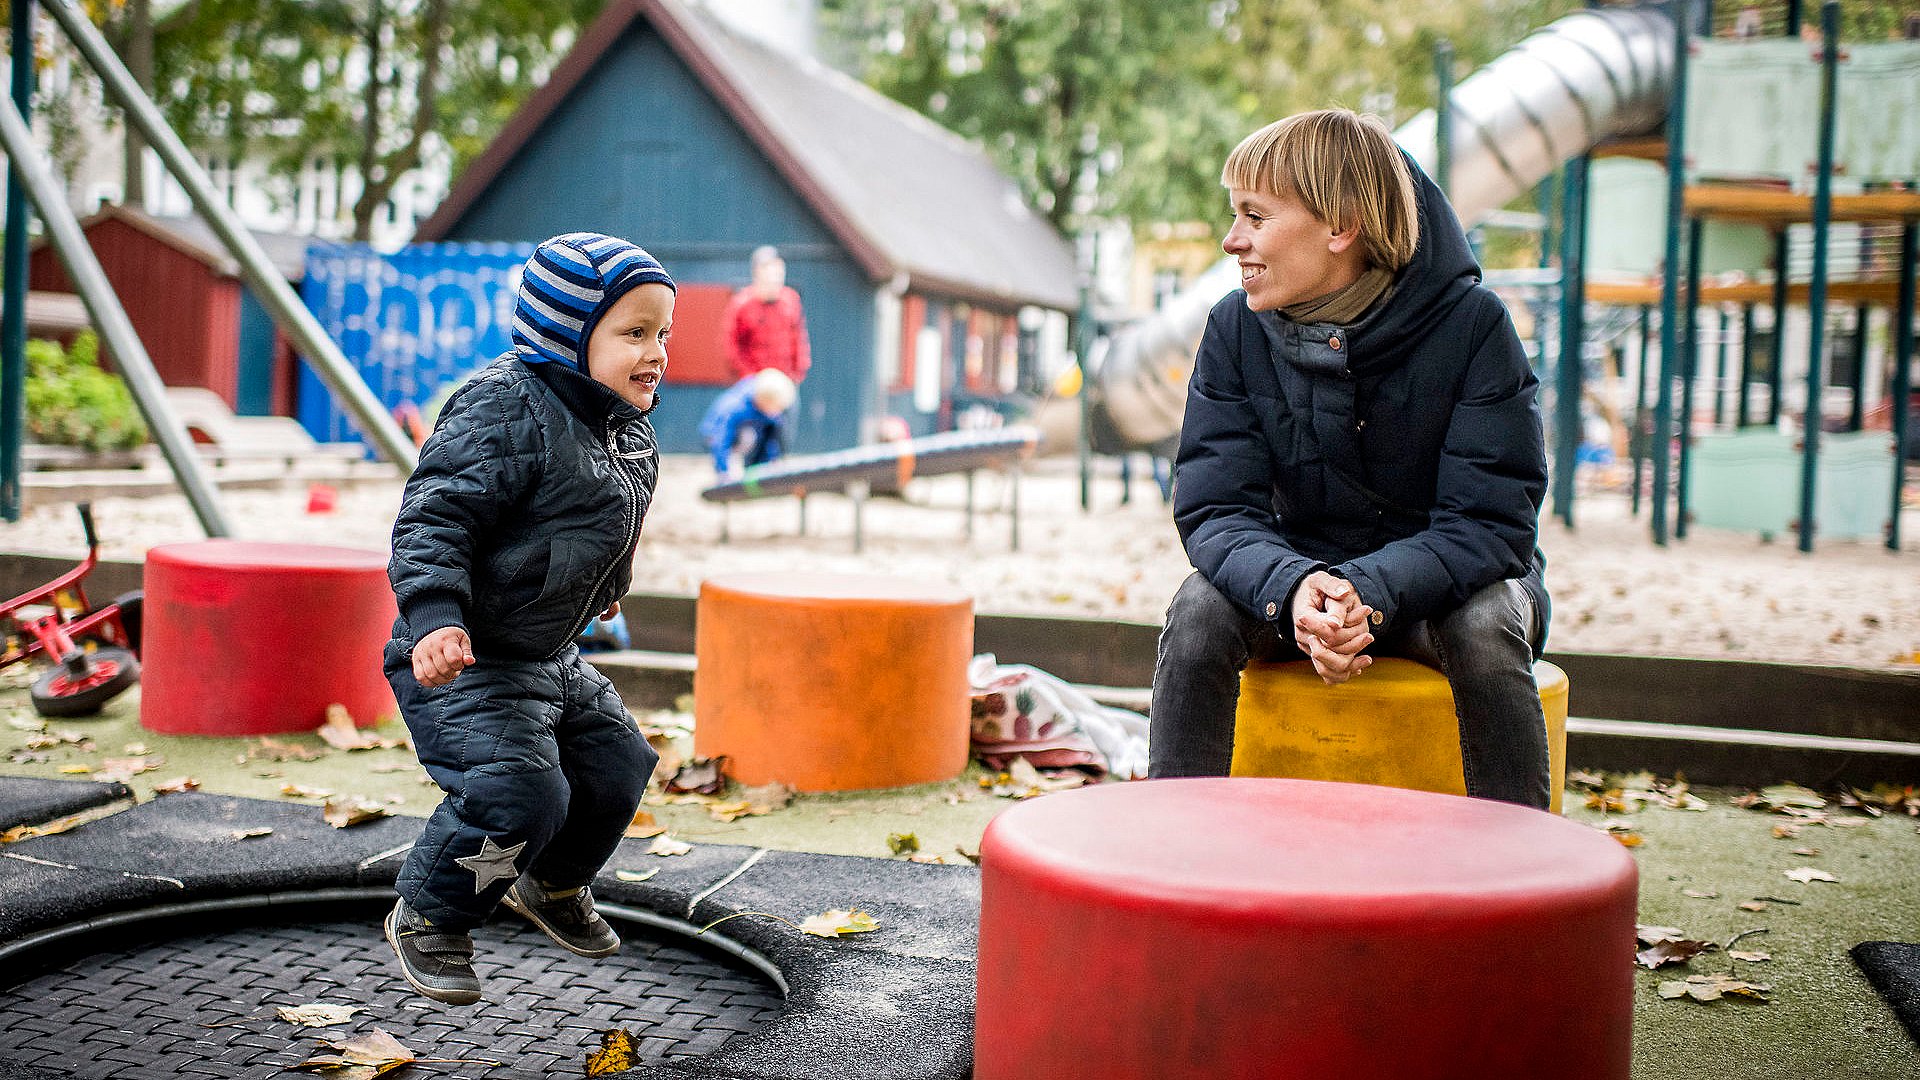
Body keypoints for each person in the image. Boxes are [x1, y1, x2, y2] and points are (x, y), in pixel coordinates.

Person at [1150, 109, 1553, 810]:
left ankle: (1526, 880)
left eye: (1254, 216)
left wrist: (1370, 588)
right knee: (1198, 608)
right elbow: (1216, 510)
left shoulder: (1474, 327)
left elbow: (1491, 526)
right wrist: (1298, 587)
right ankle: (1175, 851)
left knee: (1489, 625)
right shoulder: (1233, 329)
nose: (1231, 239)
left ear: (1339, 228)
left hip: (1448, 593)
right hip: (1297, 589)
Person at [381, 232, 671, 1004]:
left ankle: (551, 883)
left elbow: (609, 513)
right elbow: (434, 521)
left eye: (662, 333)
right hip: (461, 654)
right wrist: (437, 616)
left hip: (547, 651)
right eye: (634, 333)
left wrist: (607, 584)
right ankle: (433, 915)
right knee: (521, 793)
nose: (656, 352)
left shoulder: (625, 421)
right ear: (566, 334)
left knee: (618, 766)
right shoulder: (502, 407)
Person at [724, 245, 811, 384]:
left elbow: (799, 339)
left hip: (785, 383)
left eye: (778, 273)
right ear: (757, 273)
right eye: (770, 273)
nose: (775, 279)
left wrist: (797, 374)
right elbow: (732, 346)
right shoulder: (742, 304)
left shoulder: (791, 300)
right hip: (754, 385)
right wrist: (749, 377)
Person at [700, 367, 797, 477]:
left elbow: (771, 438)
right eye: (776, 408)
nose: (778, 411)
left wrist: (771, 460)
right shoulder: (735, 407)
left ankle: (758, 469)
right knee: (749, 436)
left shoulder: (767, 406)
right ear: (764, 402)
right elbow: (720, 439)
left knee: (773, 426)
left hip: (747, 430)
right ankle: (729, 471)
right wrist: (723, 471)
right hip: (715, 435)